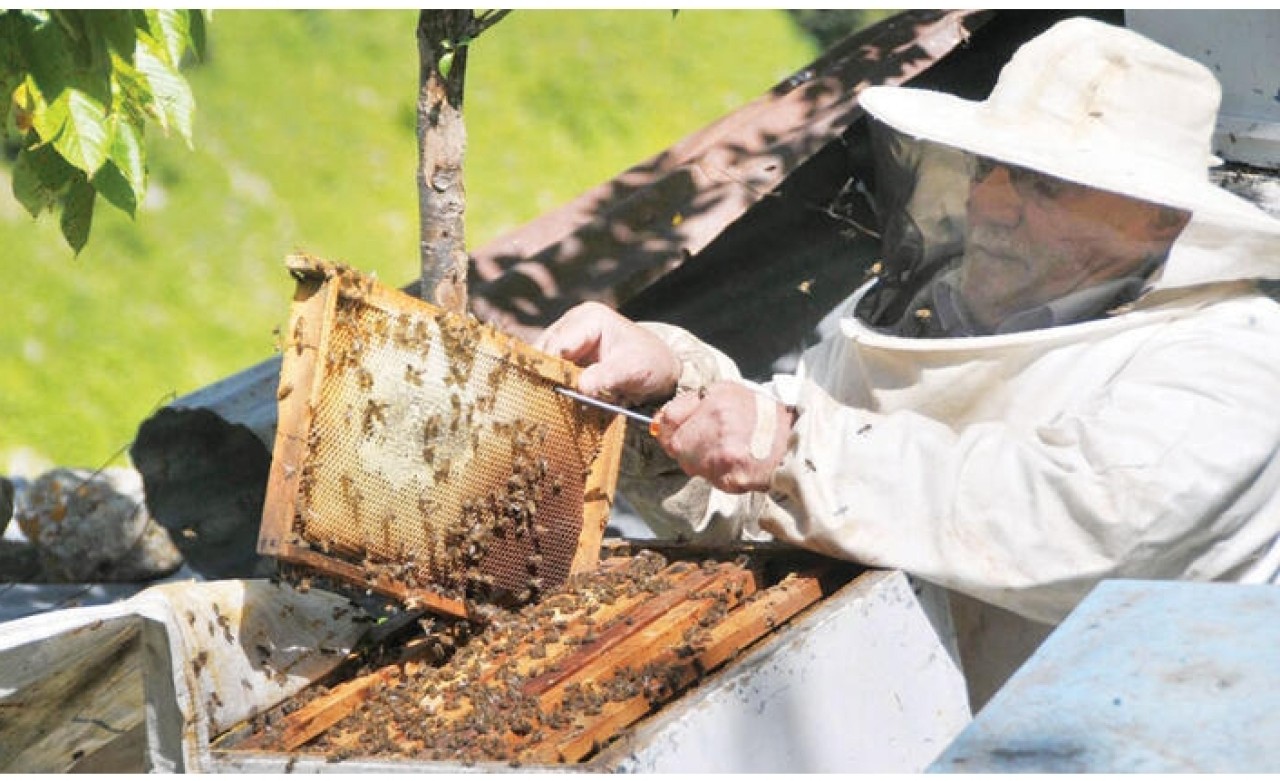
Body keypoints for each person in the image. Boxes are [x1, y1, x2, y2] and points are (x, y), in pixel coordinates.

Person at [536, 17, 1280, 701]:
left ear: (1159, 219)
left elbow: (1086, 516)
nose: (990, 202)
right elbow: (792, 497)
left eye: (1044, 185)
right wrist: (668, 385)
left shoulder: (1236, 360)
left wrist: (789, 447)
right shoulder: (934, 316)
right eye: (989, 166)